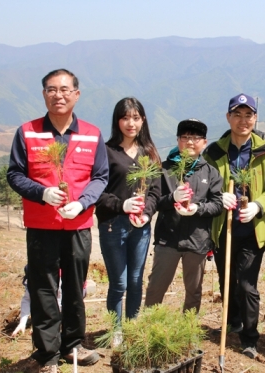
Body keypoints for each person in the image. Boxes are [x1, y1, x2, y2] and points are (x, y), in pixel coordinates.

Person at [7, 68, 109, 372]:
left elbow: (100, 177)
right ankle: (47, 353)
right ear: (43, 95)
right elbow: (14, 174)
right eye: (51, 89)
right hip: (42, 225)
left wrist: (81, 204)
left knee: (76, 287)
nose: (58, 95)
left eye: (65, 89)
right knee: (43, 287)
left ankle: (73, 345)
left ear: (76, 94)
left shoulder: (91, 134)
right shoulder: (28, 131)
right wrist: (41, 192)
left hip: (77, 225)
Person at [203, 93, 265, 359]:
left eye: (249, 115)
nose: (243, 120)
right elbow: (205, 183)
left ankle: (250, 336)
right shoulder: (214, 151)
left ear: (255, 118)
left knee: (247, 284)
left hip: (252, 230)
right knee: (228, 280)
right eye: (237, 114)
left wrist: (258, 205)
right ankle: (233, 321)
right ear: (228, 117)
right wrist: (218, 196)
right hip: (222, 227)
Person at [95, 97, 161, 329]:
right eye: (125, 118)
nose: (130, 123)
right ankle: (115, 332)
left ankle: (131, 328)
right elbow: (96, 193)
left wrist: (146, 214)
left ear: (143, 120)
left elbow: (155, 191)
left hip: (141, 228)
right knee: (119, 283)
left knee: (135, 281)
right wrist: (121, 205)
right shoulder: (105, 151)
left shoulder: (149, 153)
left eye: (135, 117)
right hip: (113, 225)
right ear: (117, 121)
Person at [144, 119, 223, 313]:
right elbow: (154, 202)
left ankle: (190, 335)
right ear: (177, 140)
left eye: (195, 138)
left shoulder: (210, 173)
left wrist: (197, 208)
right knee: (156, 288)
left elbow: (218, 204)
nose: (190, 142)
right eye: (185, 137)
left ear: (204, 142)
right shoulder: (164, 169)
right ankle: (148, 331)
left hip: (197, 241)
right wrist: (172, 198)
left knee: (194, 291)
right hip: (168, 239)